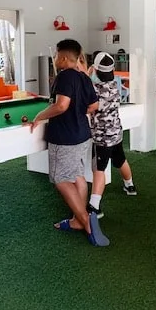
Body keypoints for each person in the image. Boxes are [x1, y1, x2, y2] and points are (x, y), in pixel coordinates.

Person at [30, 39, 108, 247]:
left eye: (56, 56)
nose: (55, 59)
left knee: (60, 178)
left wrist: (40, 115)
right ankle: (76, 220)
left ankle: (85, 222)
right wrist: (78, 113)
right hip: (83, 133)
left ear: (63, 58)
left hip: (65, 137)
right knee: (76, 175)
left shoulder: (64, 76)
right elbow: (94, 104)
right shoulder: (84, 76)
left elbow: (61, 105)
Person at [87, 52, 137, 218]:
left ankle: (94, 206)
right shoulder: (114, 85)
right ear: (113, 70)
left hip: (102, 138)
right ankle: (130, 186)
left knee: (99, 169)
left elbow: (89, 107)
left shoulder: (94, 89)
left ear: (94, 69)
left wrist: (86, 75)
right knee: (120, 159)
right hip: (116, 133)